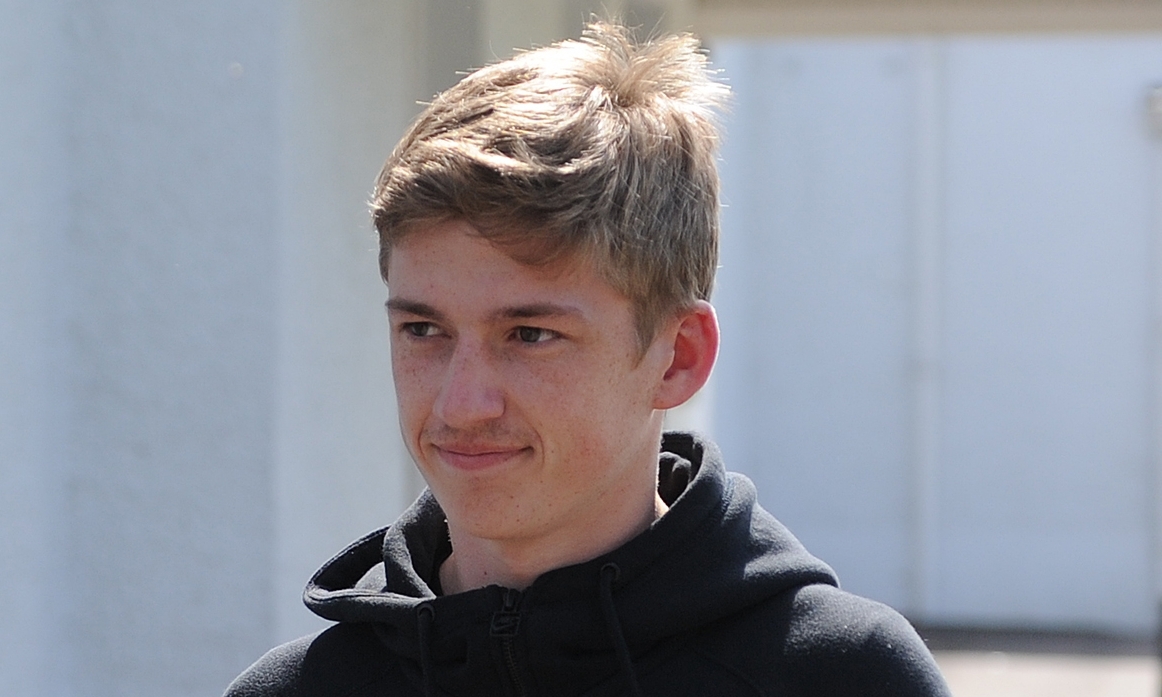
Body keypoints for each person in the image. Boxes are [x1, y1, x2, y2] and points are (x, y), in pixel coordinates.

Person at [225, 20, 951, 697]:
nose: (459, 403)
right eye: (423, 329)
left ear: (678, 357)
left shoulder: (842, 677)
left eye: (529, 335)